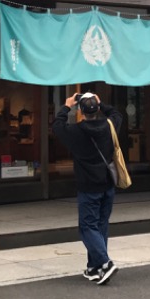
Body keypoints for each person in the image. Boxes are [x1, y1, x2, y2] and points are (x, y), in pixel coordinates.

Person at [52, 91, 122, 285]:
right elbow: (117, 114)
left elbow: (57, 126)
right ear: (97, 109)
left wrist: (66, 106)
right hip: (108, 183)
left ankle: (105, 264)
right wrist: (102, 104)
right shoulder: (110, 126)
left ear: (80, 111)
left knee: (87, 227)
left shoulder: (75, 131)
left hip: (88, 185)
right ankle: (94, 268)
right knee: (100, 225)